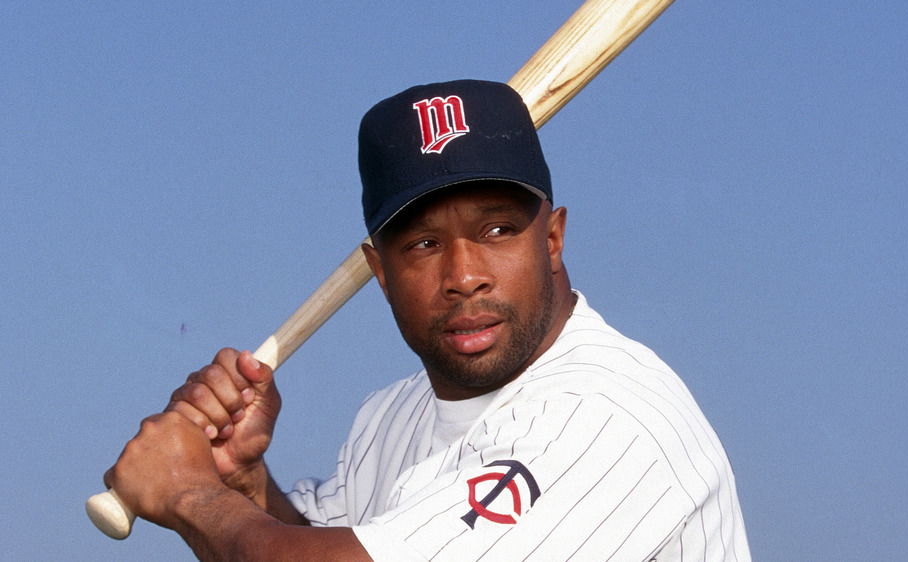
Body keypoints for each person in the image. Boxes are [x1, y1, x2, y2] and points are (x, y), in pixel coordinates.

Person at [105, 79, 751, 561]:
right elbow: (321, 547)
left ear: (552, 239)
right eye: (422, 244)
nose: (464, 274)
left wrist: (188, 493)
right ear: (378, 272)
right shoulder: (390, 418)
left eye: (496, 229)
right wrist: (240, 483)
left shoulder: (605, 414)